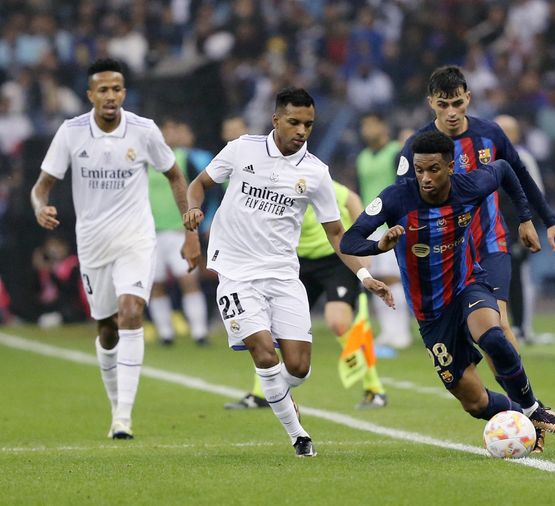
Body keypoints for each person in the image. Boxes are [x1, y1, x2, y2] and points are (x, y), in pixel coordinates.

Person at [184, 87, 394, 457]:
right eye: (294, 122)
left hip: (283, 274)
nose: (301, 130)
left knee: (297, 368)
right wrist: (193, 214)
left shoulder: (315, 172)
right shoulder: (242, 149)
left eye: (308, 124)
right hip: (236, 271)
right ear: (275, 119)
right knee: (265, 354)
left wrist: (364, 275)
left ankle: (280, 394)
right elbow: (199, 184)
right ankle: (299, 436)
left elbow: (336, 233)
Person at [342, 131, 555, 452]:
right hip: (431, 313)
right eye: (420, 170)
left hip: (467, 285)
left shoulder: (470, 186)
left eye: (433, 169)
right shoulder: (396, 198)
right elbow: (348, 241)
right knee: (475, 402)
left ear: (451, 166)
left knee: (492, 335)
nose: (425, 178)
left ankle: (534, 409)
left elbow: (505, 168)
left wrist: (524, 218)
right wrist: (378, 245)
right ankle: (519, 416)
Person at [30, 58, 201, 439]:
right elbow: (41, 187)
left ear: (124, 92)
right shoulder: (71, 132)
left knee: (131, 311)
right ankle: (115, 406)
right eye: (103, 90)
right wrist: (41, 208)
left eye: (117, 89)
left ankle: (124, 416)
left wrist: (190, 231)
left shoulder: (143, 130)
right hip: (92, 245)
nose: (111, 96)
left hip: (136, 239)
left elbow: (175, 175)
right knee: (107, 328)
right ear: (91, 95)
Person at [224, 179, 389, 410]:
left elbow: (356, 212)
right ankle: (261, 393)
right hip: (298, 264)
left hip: (336, 262)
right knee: (271, 327)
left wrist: (363, 255)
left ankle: (374, 389)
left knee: (339, 323)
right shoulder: (275, 189)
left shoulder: (329, 188)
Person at [493, 114, 555, 346]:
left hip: (517, 226)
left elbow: (535, 193)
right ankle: (503, 326)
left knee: (518, 277)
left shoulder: (522, 157)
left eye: (508, 130)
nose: (503, 134)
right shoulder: (484, 158)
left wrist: (530, 226)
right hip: (493, 227)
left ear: (516, 134)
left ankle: (523, 328)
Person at [148, 119, 212, 346]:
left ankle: (200, 332)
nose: (171, 136)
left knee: (188, 280)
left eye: (174, 131)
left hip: (178, 231)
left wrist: (196, 222)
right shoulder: (146, 162)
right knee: (156, 284)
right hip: (151, 233)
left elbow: (201, 191)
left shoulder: (186, 160)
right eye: (166, 132)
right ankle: (165, 333)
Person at [356, 112, 412, 351]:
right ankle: (388, 331)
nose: (367, 130)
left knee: (394, 279)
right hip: (370, 226)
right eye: (364, 126)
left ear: (382, 126)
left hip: (391, 225)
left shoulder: (395, 154)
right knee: (374, 280)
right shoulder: (362, 158)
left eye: (371, 124)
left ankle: (401, 332)